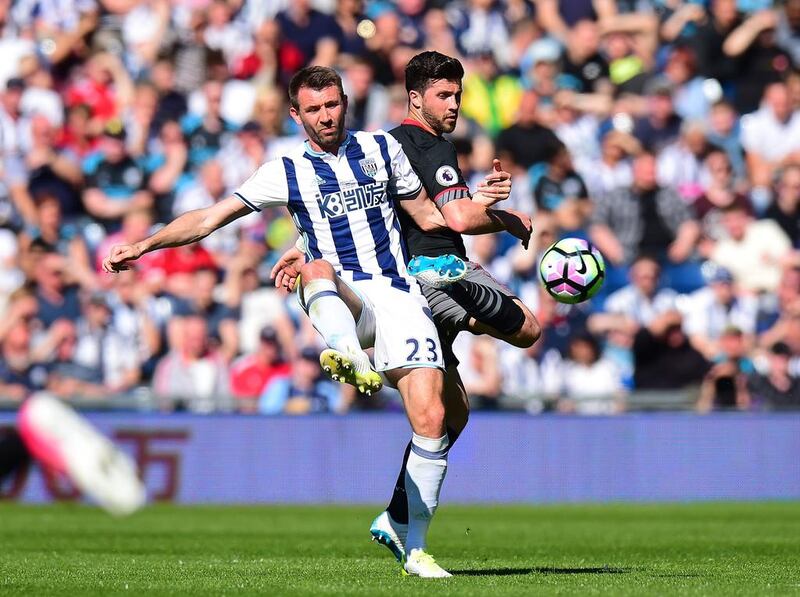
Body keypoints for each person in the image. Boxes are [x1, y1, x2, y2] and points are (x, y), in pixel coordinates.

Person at [103, 66, 473, 578]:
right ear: (296, 115)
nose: (326, 116)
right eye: (314, 109)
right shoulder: (285, 169)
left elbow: (430, 216)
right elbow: (210, 217)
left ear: (345, 103)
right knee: (316, 266)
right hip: (342, 296)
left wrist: (491, 210)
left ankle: (415, 548)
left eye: (333, 105)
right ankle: (346, 352)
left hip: (397, 294)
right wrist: (145, 245)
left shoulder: (384, 151)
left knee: (432, 419)